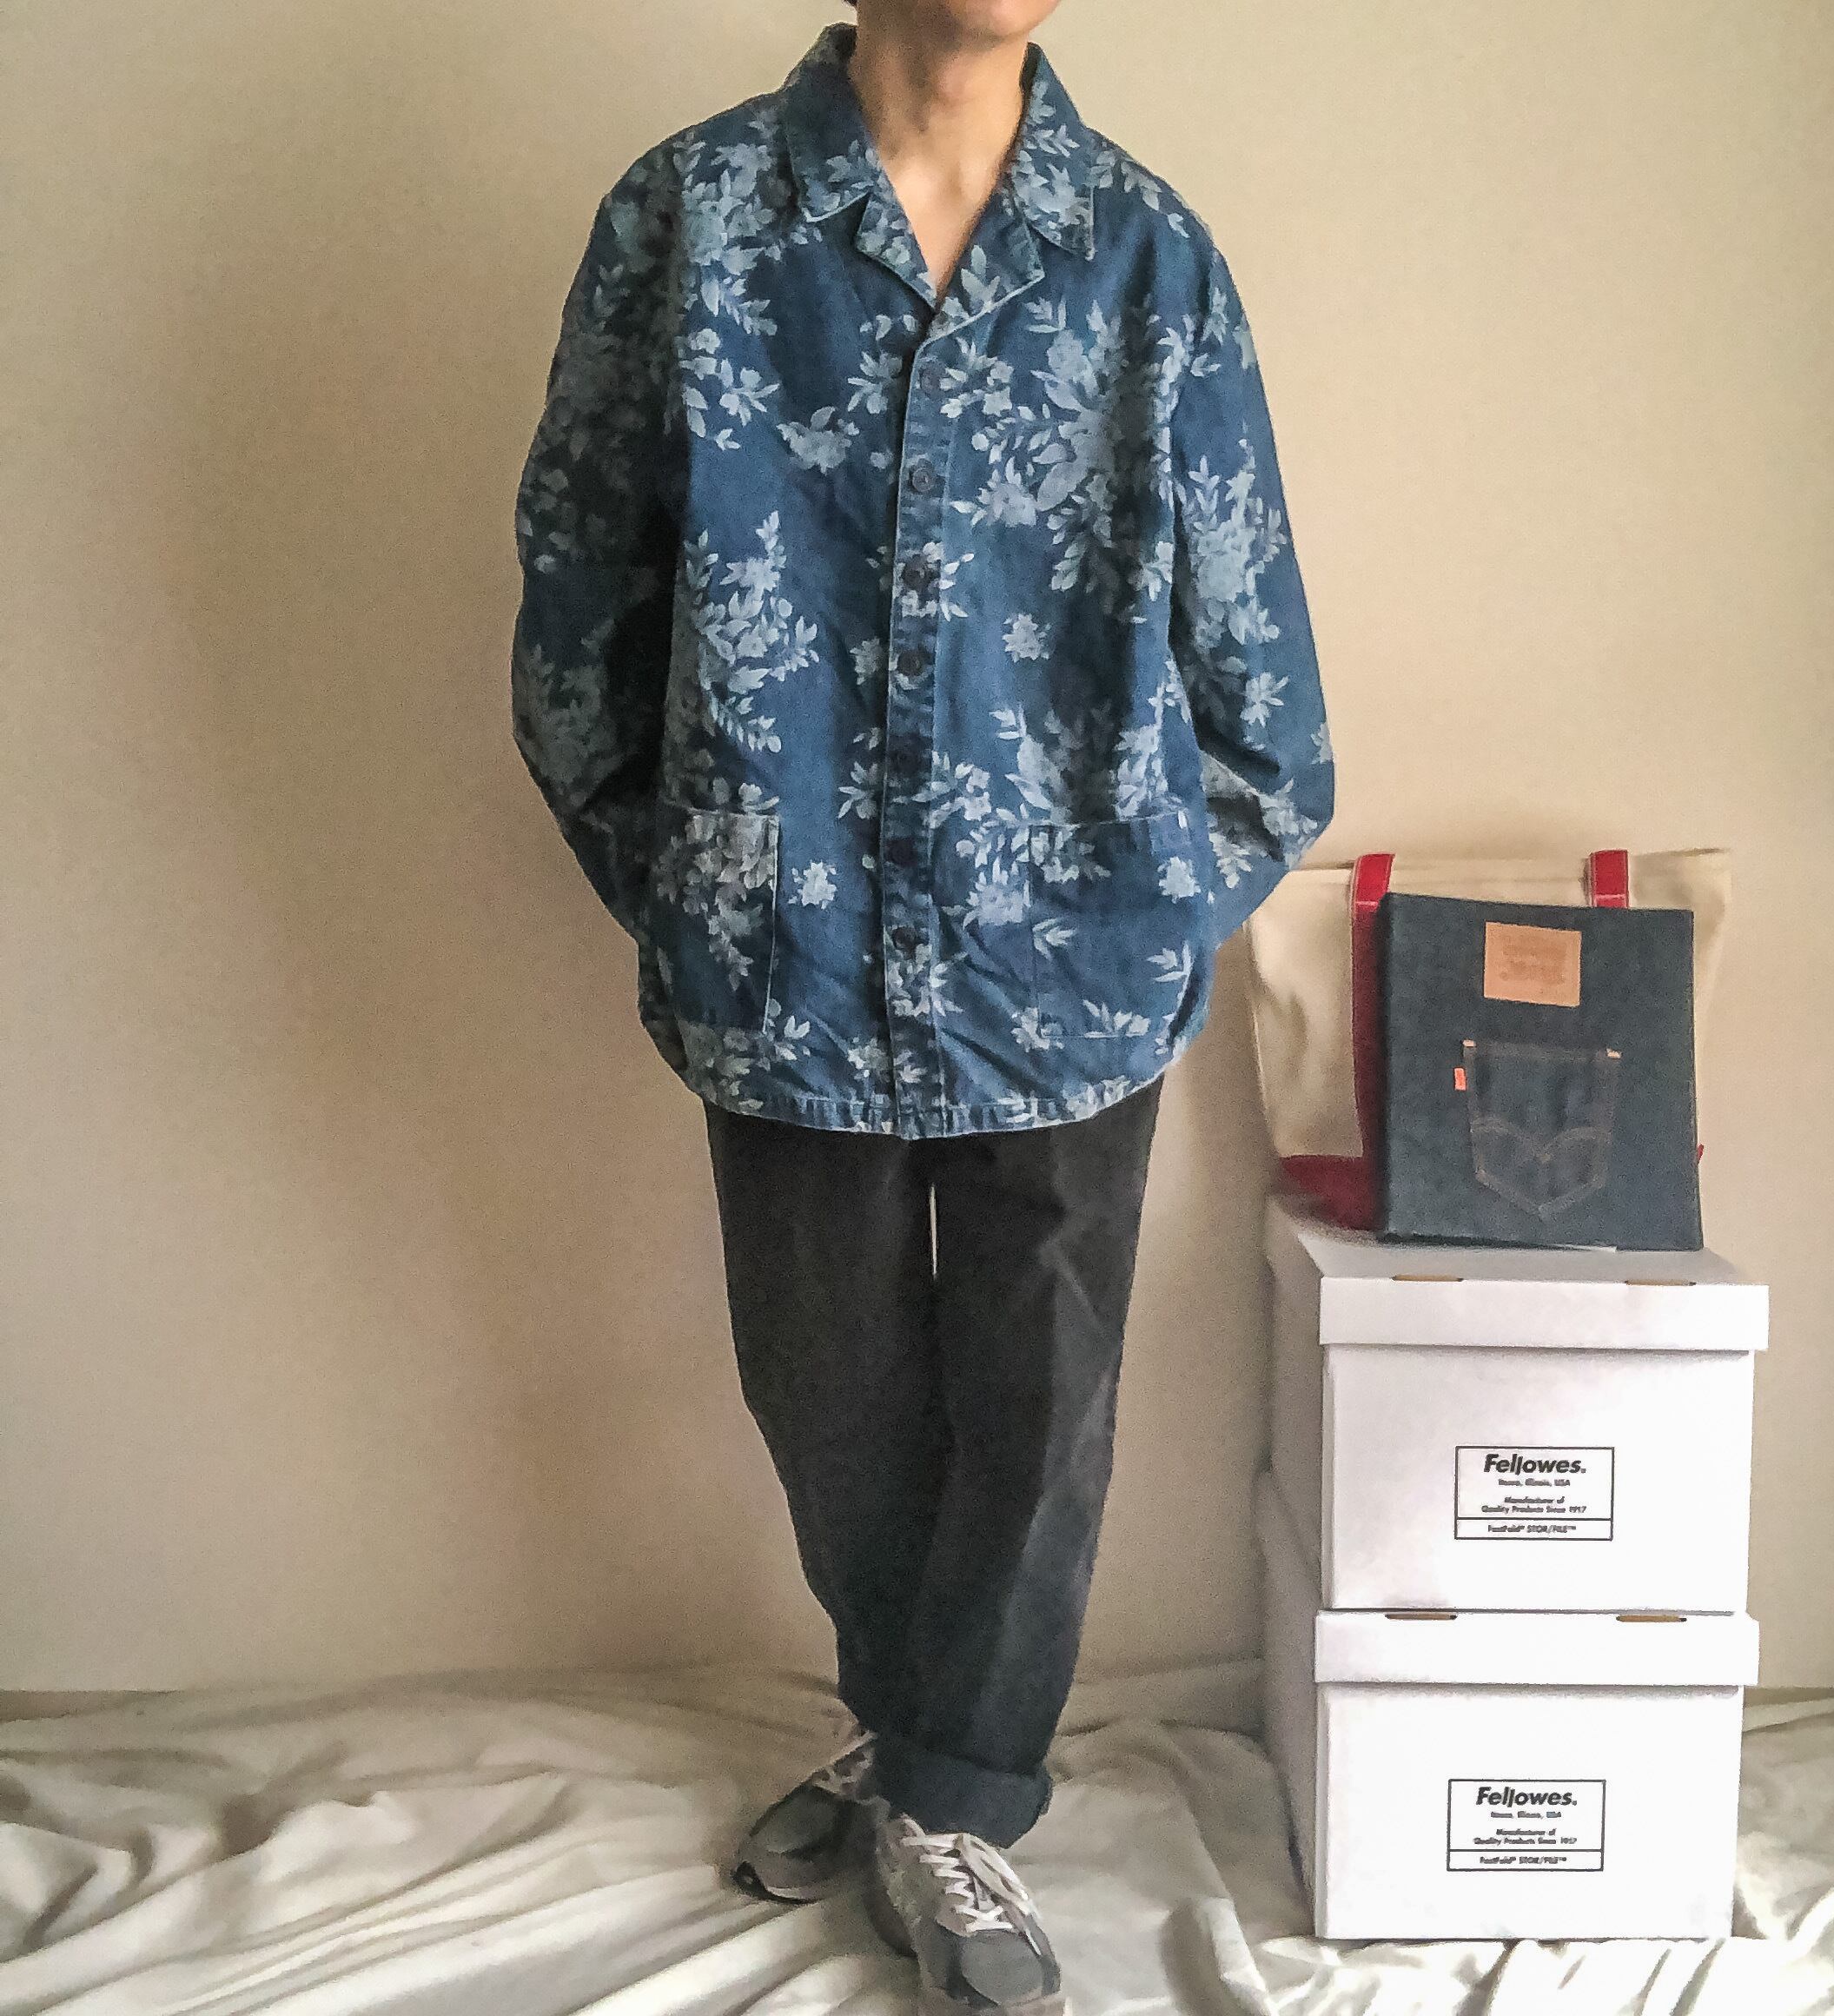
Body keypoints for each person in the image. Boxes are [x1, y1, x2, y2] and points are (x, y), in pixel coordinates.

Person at [508, 2, 1334, 2007]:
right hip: (778, 950)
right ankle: (919, 1742)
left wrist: (1149, 916)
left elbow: (1261, 687)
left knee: (1039, 1406)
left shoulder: (1145, 257)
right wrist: (695, 878)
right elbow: (579, 601)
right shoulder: (690, 222)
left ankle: (950, 1794)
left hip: (1072, 971)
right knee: (829, 1382)